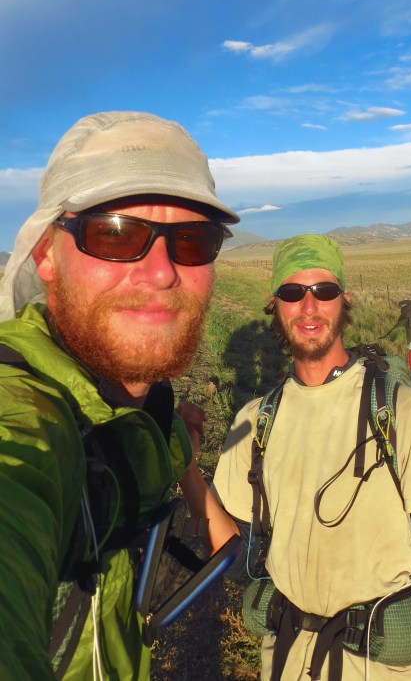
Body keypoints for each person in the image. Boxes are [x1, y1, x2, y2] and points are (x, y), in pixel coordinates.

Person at [0, 111, 240, 680]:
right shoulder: (24, 412)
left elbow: (162, 434)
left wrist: (205, 503)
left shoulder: (148, 404)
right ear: (46, 257)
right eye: (115, 233)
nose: (160, 272)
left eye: (192, 239)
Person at [213, 234, 411, 681]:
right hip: (285, 660)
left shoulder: (403, 411)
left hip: (380, 668)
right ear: (276, 304)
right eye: (293, 292)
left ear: (344, 301)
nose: (309, 306)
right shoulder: (257, 419)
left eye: (324, 291)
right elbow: (238, 556)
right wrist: (181, 465)